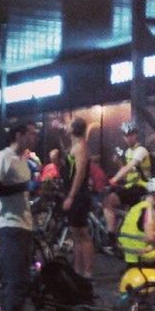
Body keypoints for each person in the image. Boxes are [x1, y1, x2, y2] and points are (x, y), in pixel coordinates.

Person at [0, 121, 41, 311]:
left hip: (25, 225)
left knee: (23, 279)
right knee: (15, 279)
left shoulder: (24, 161)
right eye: (31, 134)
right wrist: (24, 186)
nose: (34, 138)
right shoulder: (2, 157)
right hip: (10, 225)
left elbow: (22, 193)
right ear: (18, 135)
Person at [102, 121, 151, 251]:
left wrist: (114, 179)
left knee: (108, 202)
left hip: (142, 187)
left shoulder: (141, 150)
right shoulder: (128, 151)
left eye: (130, 134)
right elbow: (126, 172)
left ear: (136, 135)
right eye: (125, 135)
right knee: (110, 197)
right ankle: (121, 230)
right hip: (131, 186)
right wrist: (118, 163)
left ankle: (111, 239)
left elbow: (130, 167)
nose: (128, 137)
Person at [62, 117, 94, 279]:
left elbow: (80, 173)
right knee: (75, 234)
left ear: (75, 129)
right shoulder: (75, 146)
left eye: (69, 124)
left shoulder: (81, 147)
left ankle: (87, 271)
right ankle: (78, 270)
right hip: (75, 195)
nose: (66, 126)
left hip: (79, 195)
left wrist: (71, 196)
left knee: (82, 233)